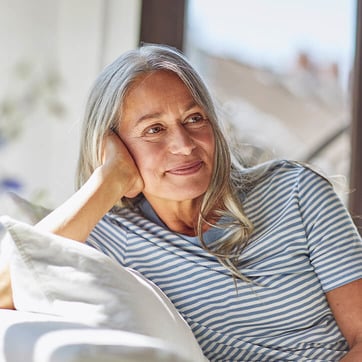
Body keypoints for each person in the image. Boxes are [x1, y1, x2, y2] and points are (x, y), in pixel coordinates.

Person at [1, 43, 362, 361]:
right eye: (154, 129)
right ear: (112, 146)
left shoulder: (294, 191)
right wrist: (107, 182)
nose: (185, 145)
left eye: (194, 119)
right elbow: (6, 290)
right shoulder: (110, 235)